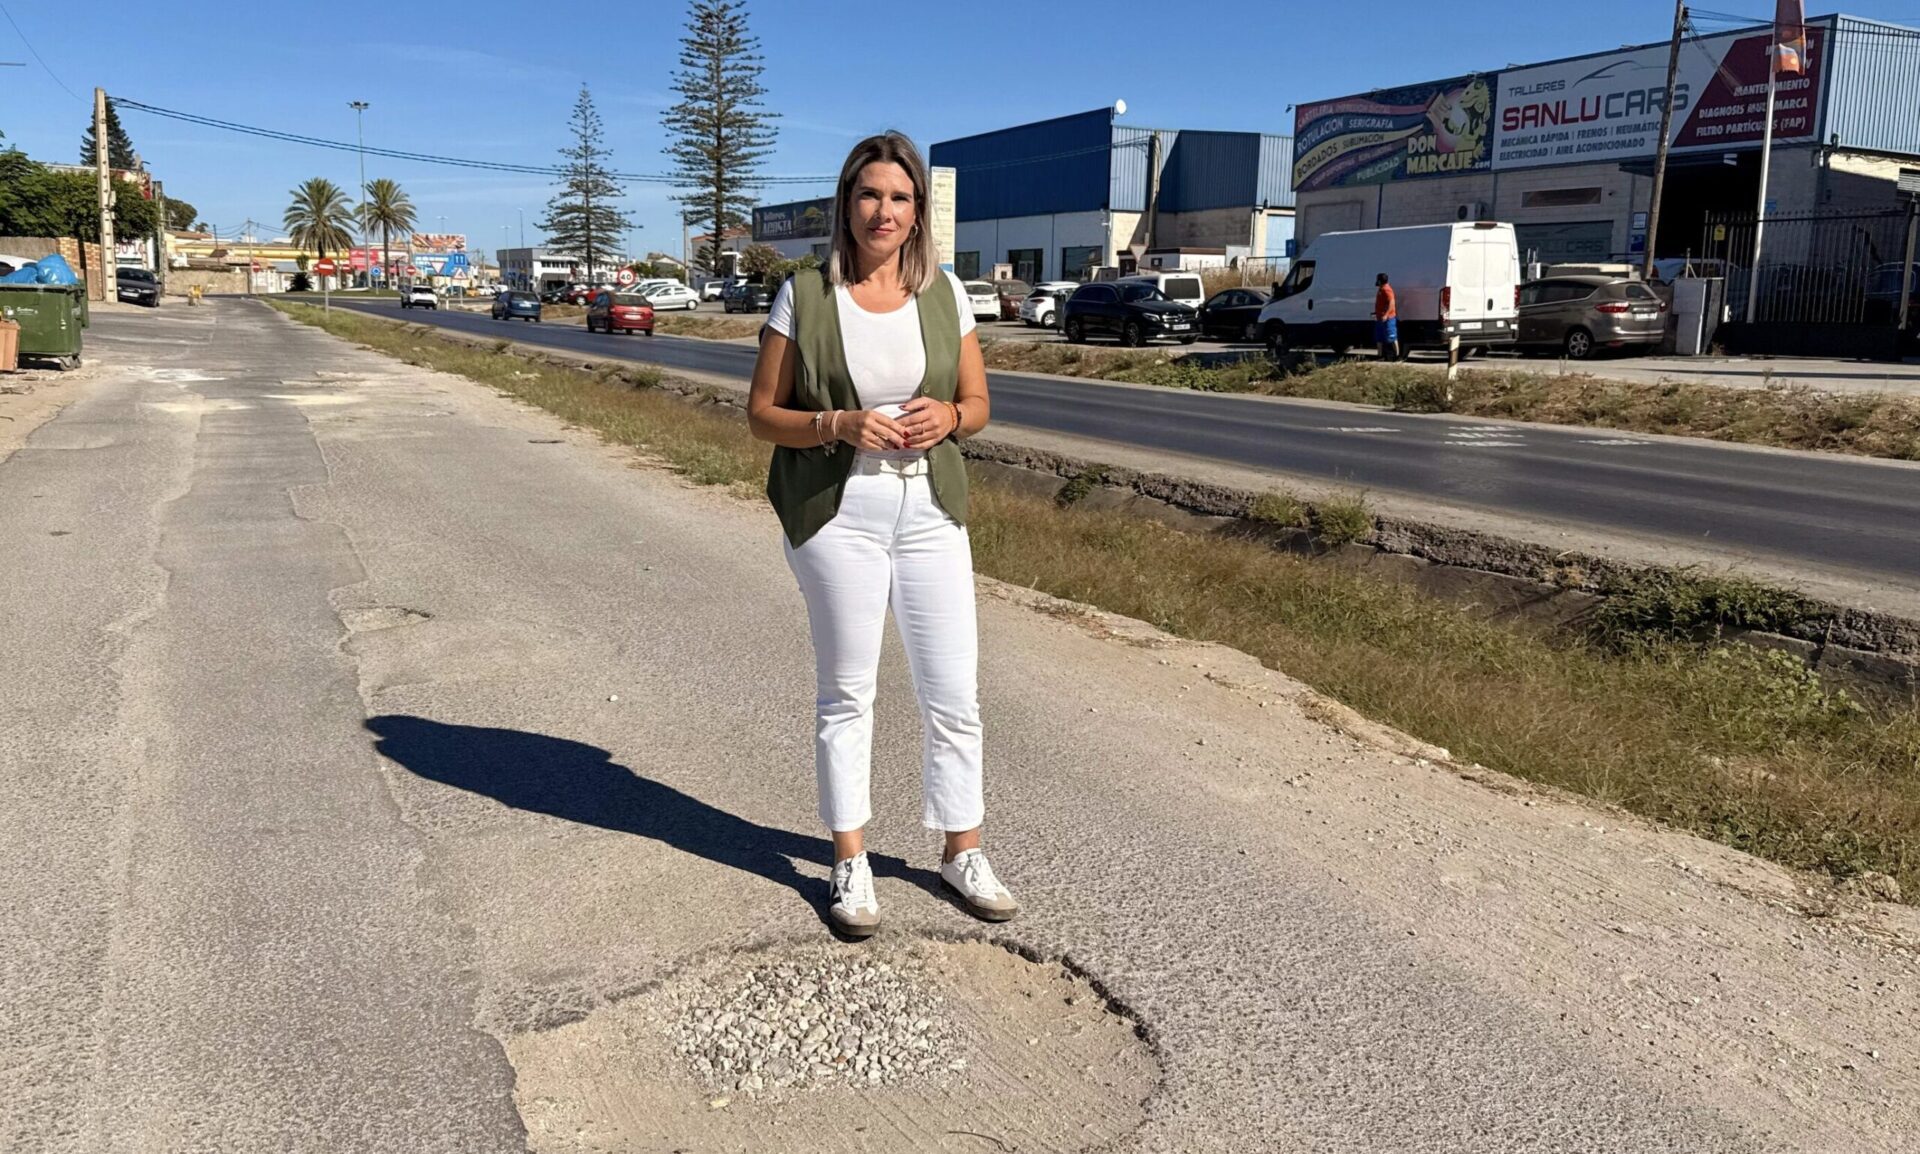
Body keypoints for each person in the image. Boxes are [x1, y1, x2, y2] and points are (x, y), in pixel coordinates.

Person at [747, 131, 1017, 939]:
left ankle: (962, 850)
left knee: (954, 692)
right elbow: (762, 414)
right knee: (847, 692)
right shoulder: (804, 293)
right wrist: (837, 423)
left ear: (918, 211)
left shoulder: (945, 293)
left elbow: (979, 404)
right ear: (847, 203)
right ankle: (850, 858)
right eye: (870, 194)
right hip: (841, 515)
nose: (884, 211)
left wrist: (951, 416)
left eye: (900, 197)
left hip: (930, 511)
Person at [1373, 272, 1399, 361]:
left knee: (1392, 337)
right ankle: (1380, 356)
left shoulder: (1387, 290)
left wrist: (1386, 315)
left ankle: (1397, 356)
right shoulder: (1381, 289)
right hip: (1380, 318)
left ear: (1380, 281)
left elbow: (1391, 303)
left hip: (1388, 319)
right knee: (1379, 338)